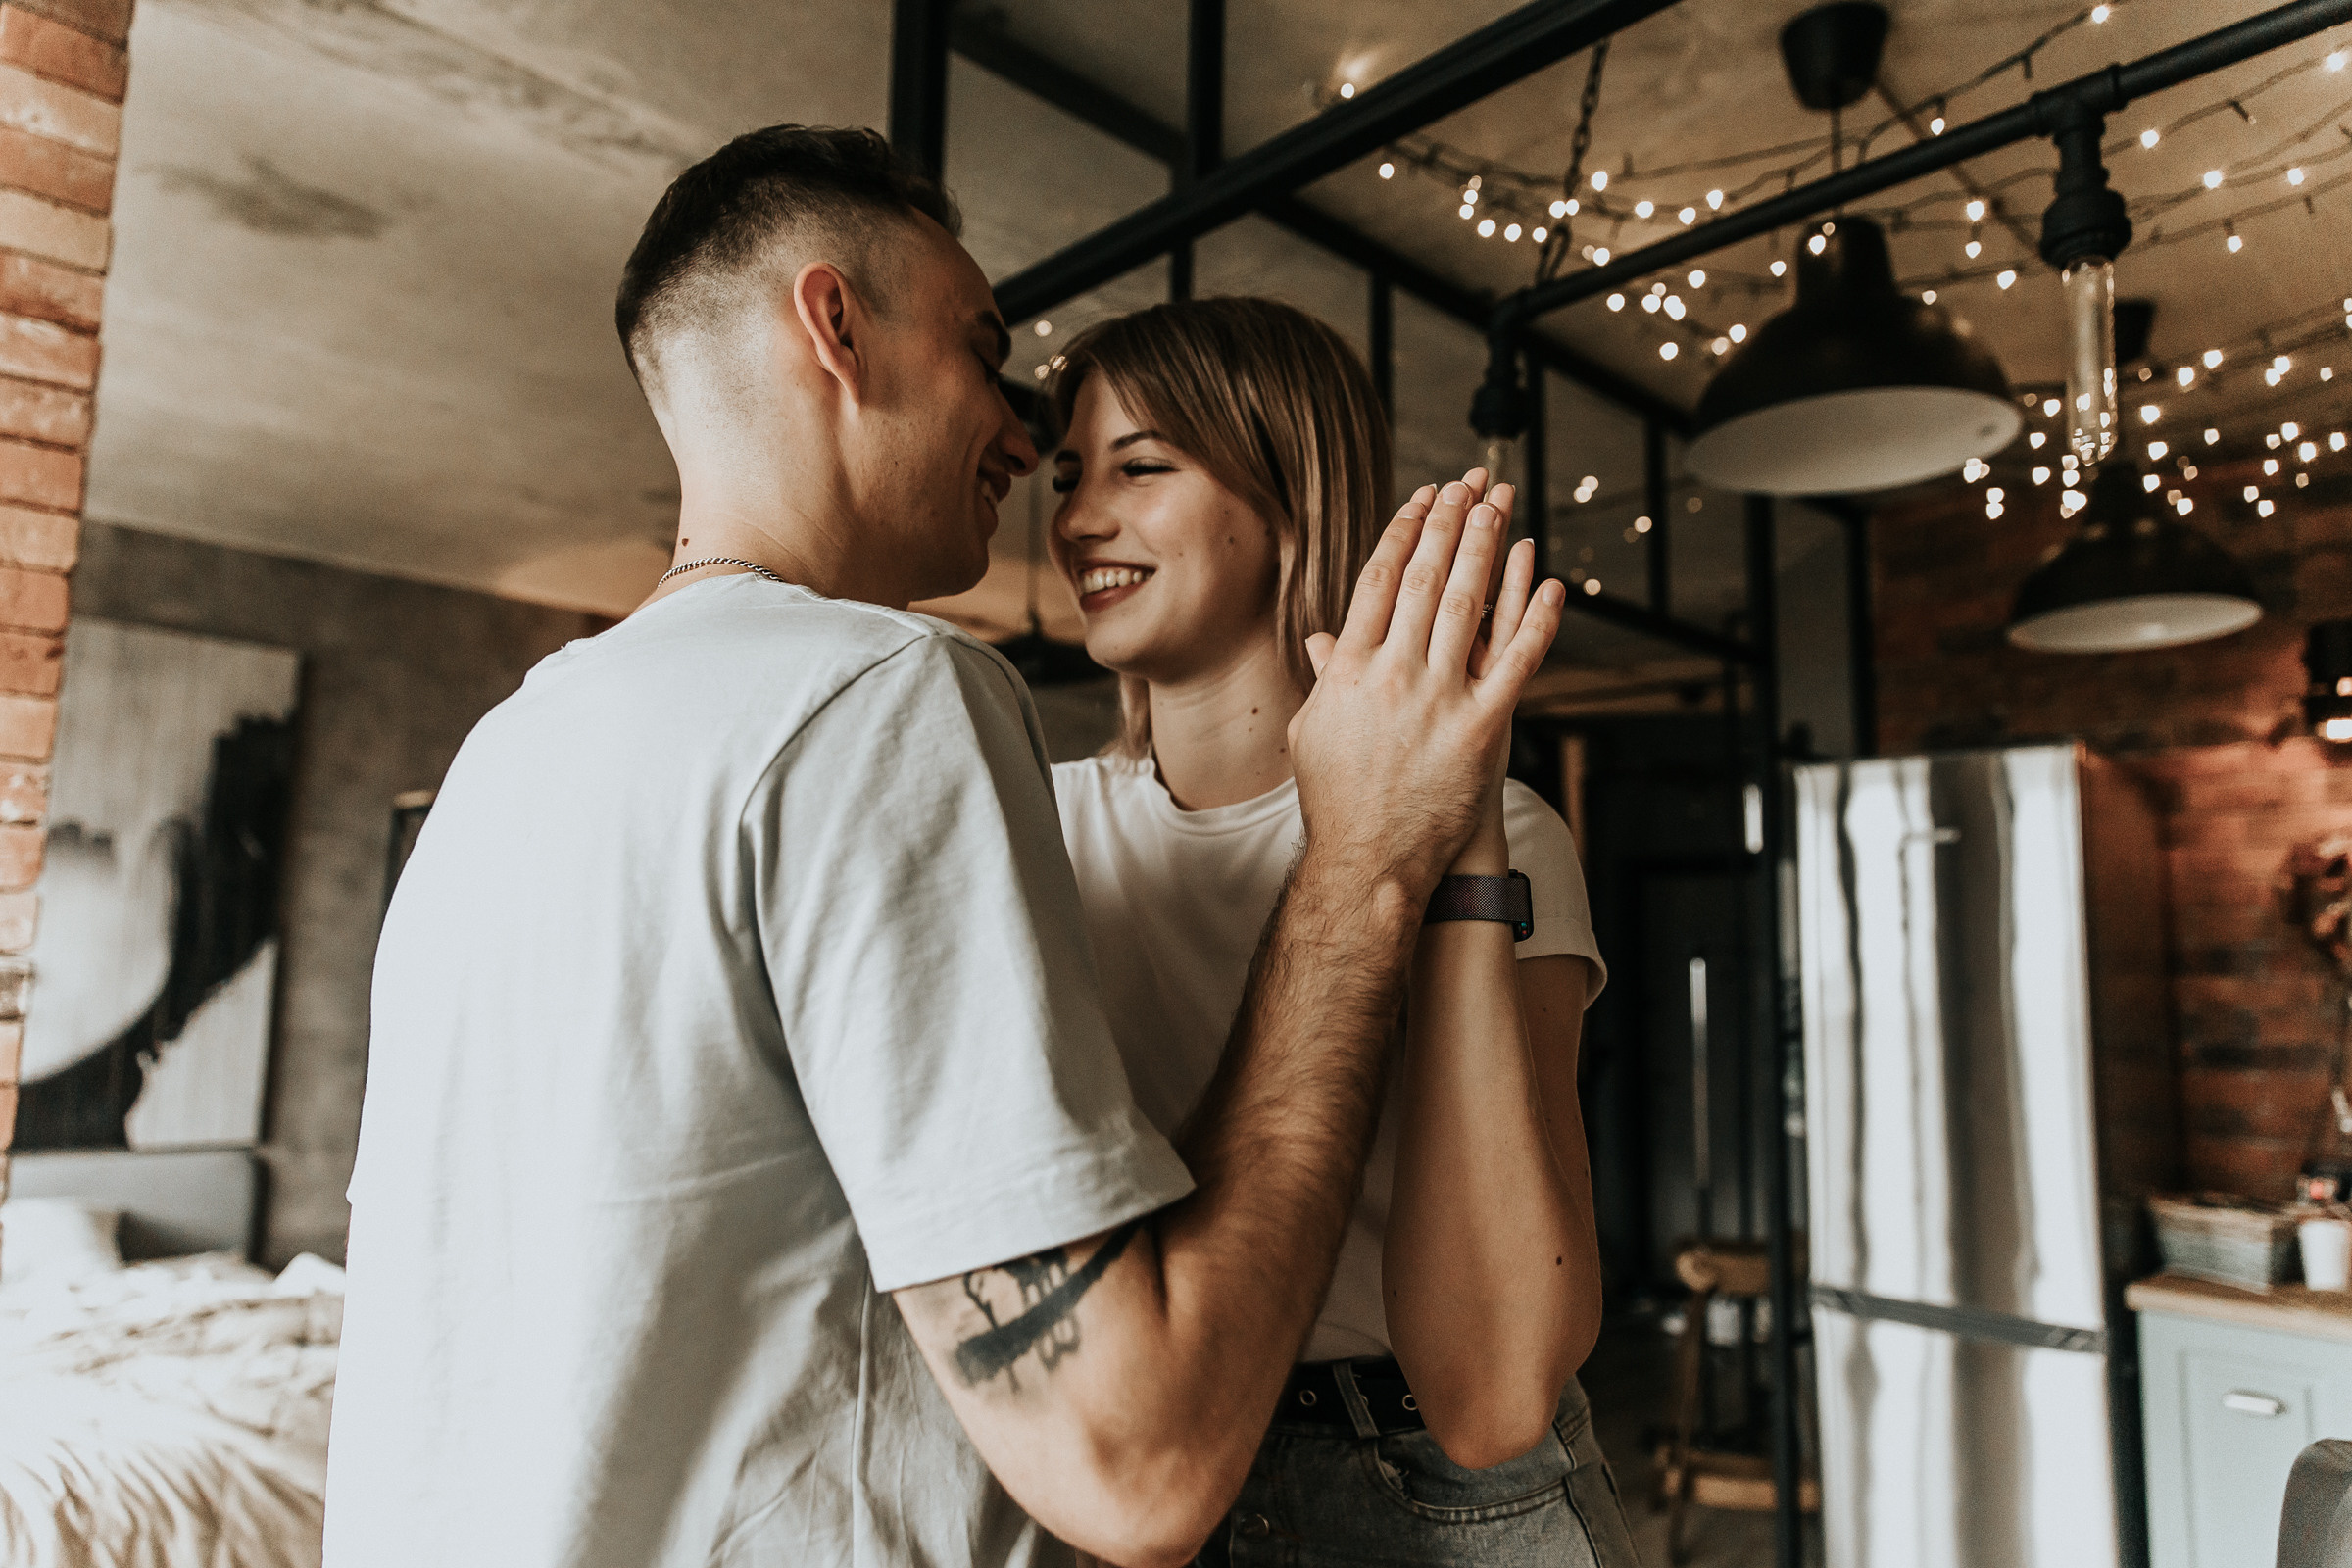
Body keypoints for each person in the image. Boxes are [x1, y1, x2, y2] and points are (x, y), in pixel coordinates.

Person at [322, 125, 1565, 1568]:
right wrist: (1360, 871)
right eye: (984, 351)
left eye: (1137, 464)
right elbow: (1140, 1463)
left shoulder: (502, 755)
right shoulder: (880, 691)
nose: (1028, 450)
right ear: (836, 330)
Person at [1044, 298, 1638, 1565]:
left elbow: (1492, 1395)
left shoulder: (1507, 832)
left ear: (1289, 500)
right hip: (1165, 1483)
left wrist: (1453, 825)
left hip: (1444, 1498)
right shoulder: (1037, 834)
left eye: (1140, 466)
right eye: (1066, 474)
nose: (1078, 517)